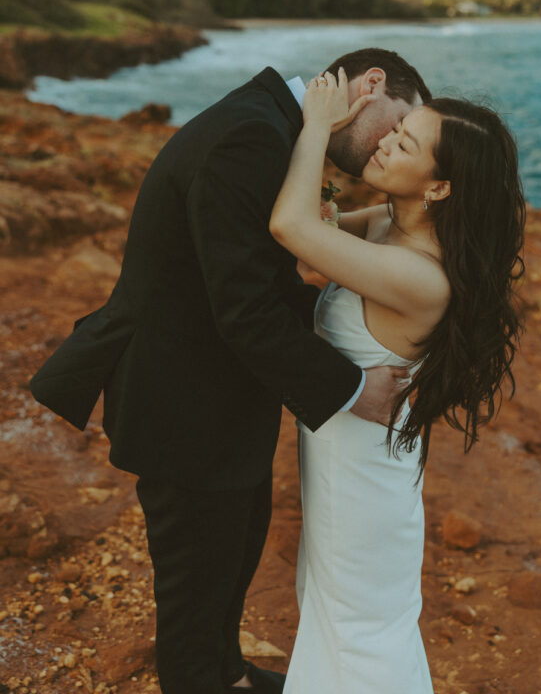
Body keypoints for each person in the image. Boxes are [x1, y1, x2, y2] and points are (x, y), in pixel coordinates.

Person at [29, 49, 431, 694]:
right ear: (372, 84)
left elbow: (260, 283)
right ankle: (204, 676)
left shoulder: (272, 127)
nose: (391, 146)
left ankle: (227, 673)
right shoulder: (253, 135)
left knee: (231, 557)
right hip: (183, 402)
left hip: (218, 398)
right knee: (196, 586)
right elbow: (244, 308)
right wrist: (353, 387)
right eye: (399, 124)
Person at [269, 70, 525, 694]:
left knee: (360, 640)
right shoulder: (390, 223)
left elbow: (292, 229)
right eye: (399, 129)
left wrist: (315, 126)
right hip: (352, 473)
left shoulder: (421, 277)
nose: (384, 142)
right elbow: (317, 244)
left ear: (439, 187)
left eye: (404, 145)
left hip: (361, 493)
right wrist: (326, 206)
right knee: (343, 625)